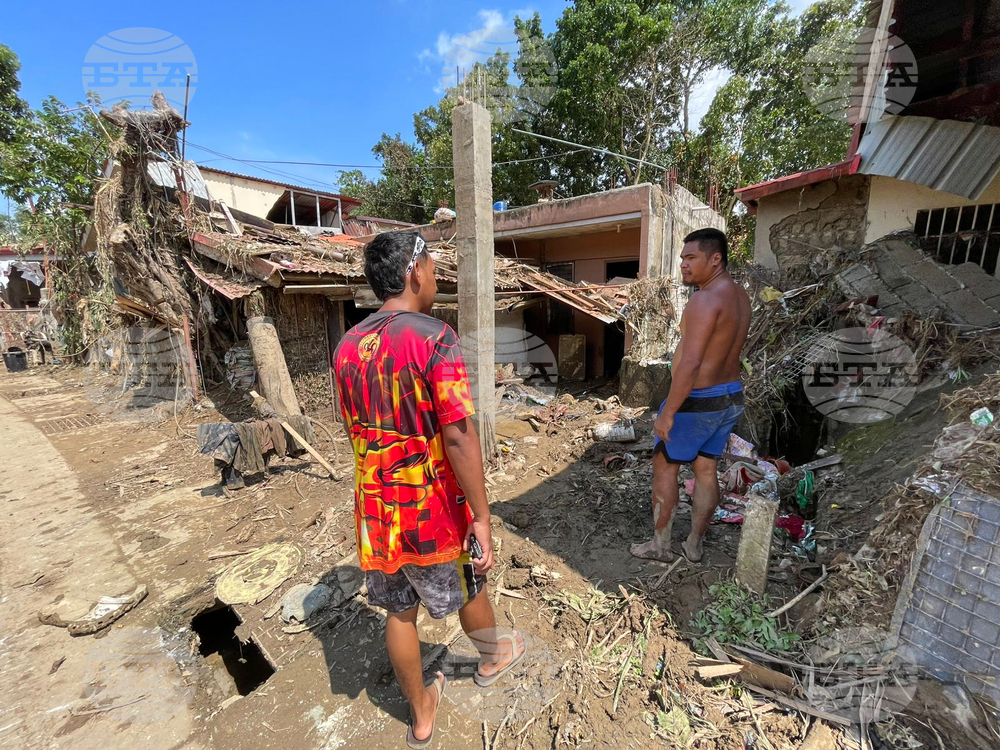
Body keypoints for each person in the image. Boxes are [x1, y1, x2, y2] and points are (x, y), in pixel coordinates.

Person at [333, 231, 525, 749]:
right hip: (428, 507)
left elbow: (352, 425)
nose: (437, 276)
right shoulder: (435, 337)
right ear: (414, 271)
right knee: (468, 585)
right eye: (435, 266)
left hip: (375, 509)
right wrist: (481, 515)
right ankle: (491, 657)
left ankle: (420, 715)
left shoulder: (347, 347)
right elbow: (459, 435)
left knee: (399, 611)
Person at [630, 228, 751, 564]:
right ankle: (694, 545)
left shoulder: (705, 299)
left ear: (716, 259)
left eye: (691, 257)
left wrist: (669, 412)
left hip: (698, 399)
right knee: (706, 469)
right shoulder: (739, 296)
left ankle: (660, 546)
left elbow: (693, 362)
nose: (683, 264)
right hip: (730, 396)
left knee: (665, 467)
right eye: (682, 257)